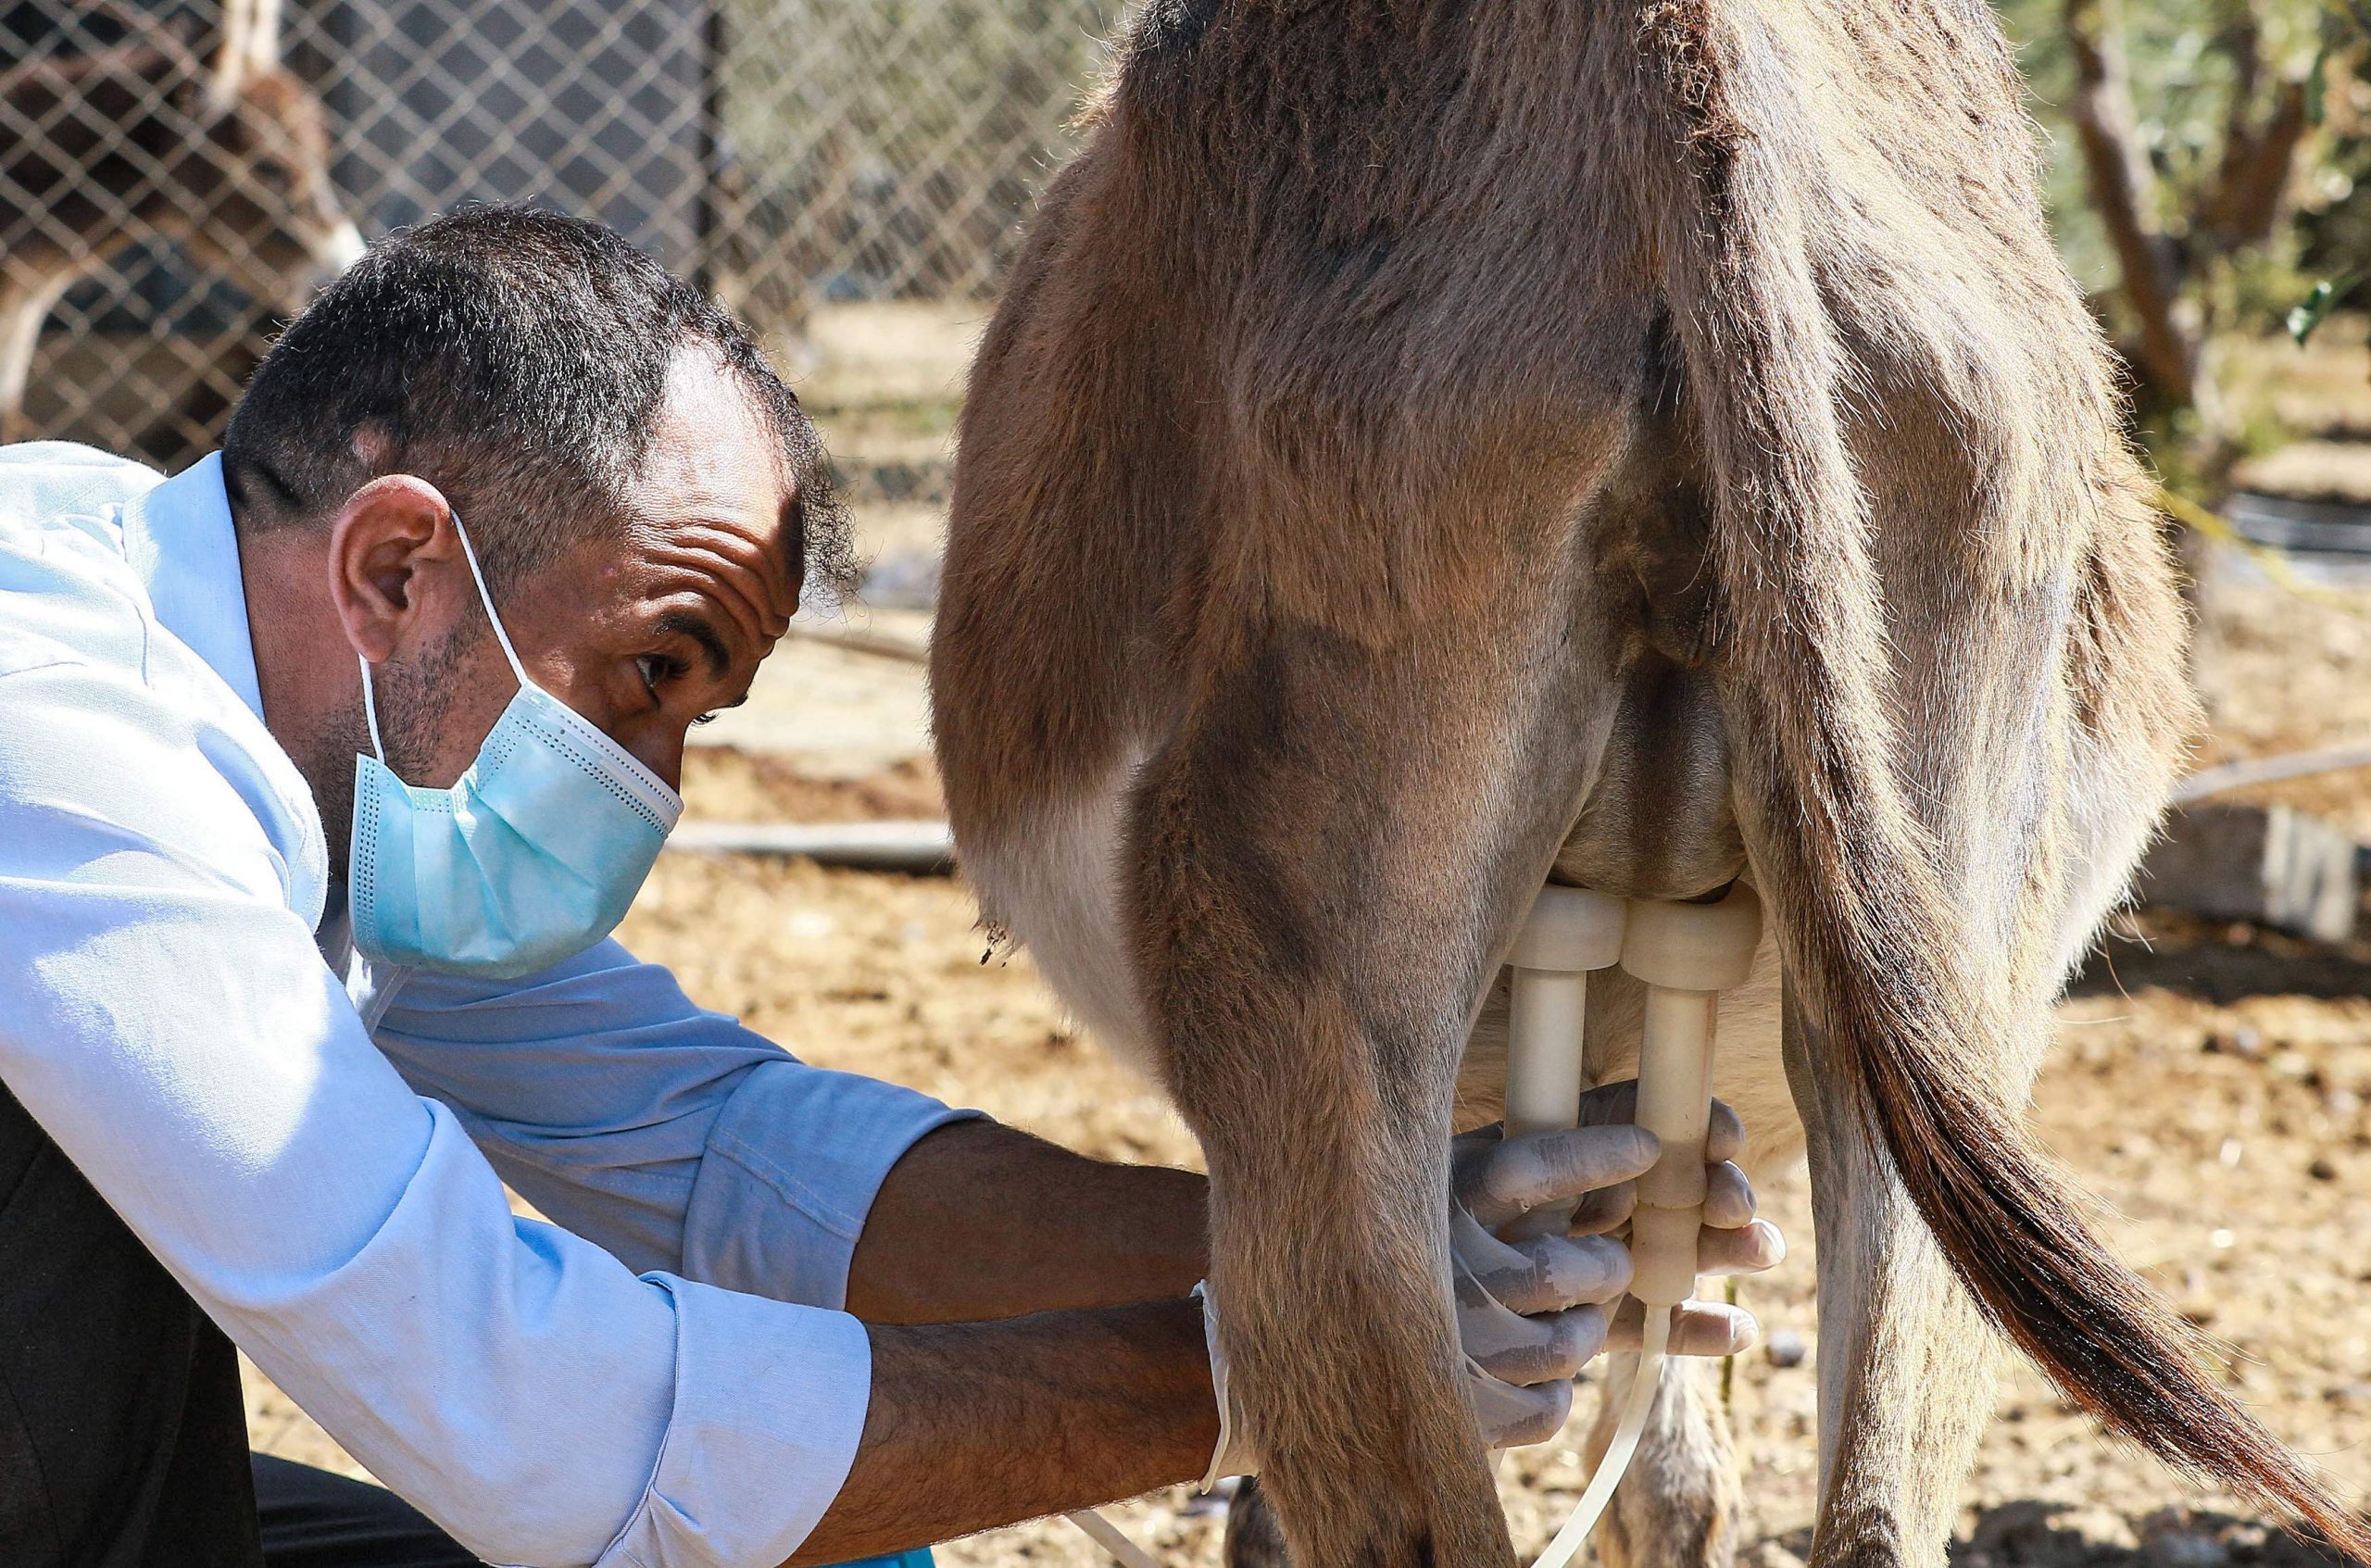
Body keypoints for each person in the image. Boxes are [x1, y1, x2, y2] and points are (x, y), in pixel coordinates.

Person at [0, 207, 1783, 1568]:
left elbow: (716, 1147)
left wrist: (1371, 1242)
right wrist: (1292, 1362)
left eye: (697, 717)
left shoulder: (272, 698)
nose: (653, 792)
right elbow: (543, 1425)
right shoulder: (73, 764)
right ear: (399, 566)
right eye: (650, 673)